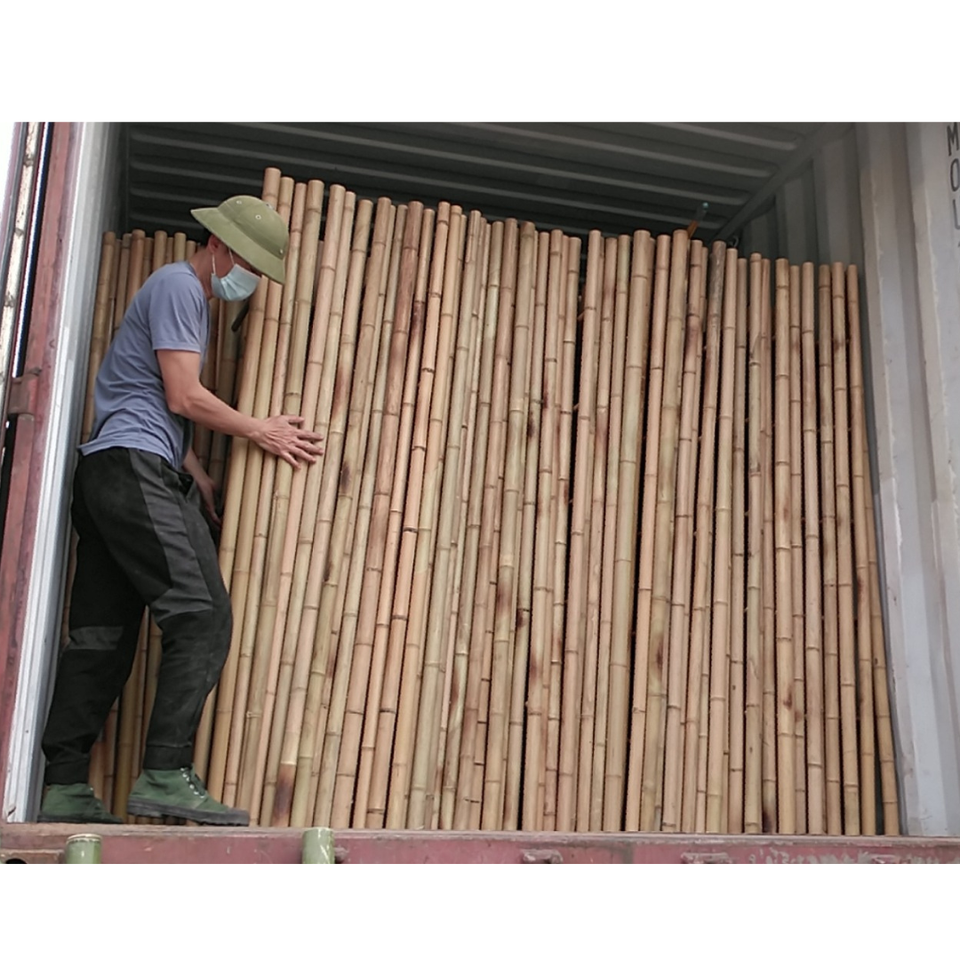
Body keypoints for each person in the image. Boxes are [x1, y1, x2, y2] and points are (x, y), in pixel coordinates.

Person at [38, 195, 323, 827]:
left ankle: (63, 785)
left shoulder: (184, 296)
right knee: (203, 617)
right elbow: (183, 395)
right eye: (246, 263)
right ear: (217, 245)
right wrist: (261, 429)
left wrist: (195, 473)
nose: (248, 278)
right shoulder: (180, 287)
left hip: (110, 470)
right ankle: (166, 772)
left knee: (102, 638)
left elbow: (145, 396)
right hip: (134, 467)